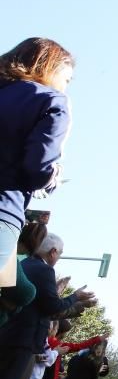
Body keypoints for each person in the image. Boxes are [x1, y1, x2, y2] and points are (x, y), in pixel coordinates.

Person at [0, 233, 96, 379]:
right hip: (24, 338)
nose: (58, 258)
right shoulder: (44, 270)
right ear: (53, 252)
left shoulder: (24, 265)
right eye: (59, 254)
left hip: (10, 332)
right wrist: (75, 297)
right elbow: (51, 306)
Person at [0, 38, 74, 295]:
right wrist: (53, 176)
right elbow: (37, 169)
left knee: (19, 292)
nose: (67, 86)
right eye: (68, 79)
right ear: (51, 68)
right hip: (4, 206)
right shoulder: (51, 101)